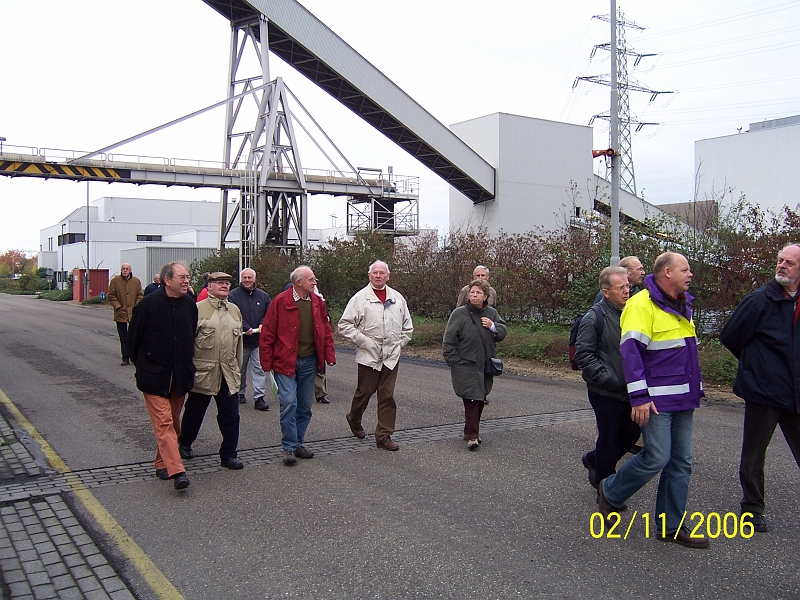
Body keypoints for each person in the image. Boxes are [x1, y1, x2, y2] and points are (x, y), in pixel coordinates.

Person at [596, 252, 708, 549]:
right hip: (656, 399)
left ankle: (671, 526)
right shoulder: (640, 304)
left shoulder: (685, 303)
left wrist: (696, 388)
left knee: (682, 460)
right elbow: (630, 353)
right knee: (657, 457)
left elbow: (684, 352)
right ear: (667, 272)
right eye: (685, 269)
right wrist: (639, 396)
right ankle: (610, 491)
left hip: (684, 397)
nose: (690, 275)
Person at [720, 244, 800, 534]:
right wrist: (756, 366)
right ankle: (752, 509)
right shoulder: (758, 300)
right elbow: (730, 336)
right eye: (780, 260)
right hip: (764, 392)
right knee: (754, 455)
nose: (782, 266)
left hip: (795, 392)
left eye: (789, 263)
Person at [129, 262, 197, 491]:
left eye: (188, 276)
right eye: (182, 277)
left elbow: (191, 335)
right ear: (167, 280)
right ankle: (177, 470)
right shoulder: (147, 305)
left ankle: (161, 462)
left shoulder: (190, 304)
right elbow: (134, 340)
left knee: (173, 424)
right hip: (154, 377)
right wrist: (144, 364)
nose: (186, 280)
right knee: (164, 423)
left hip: (180, 376)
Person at [260, 266, 335, 466]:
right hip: (285, 361)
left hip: (309, 361)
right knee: (288, 402)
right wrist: (266, 363)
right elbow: (267, 334)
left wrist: (329, 355)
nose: (315, 282)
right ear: (299, 282)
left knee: (304, 406)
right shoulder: (280, 302)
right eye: (311, 279)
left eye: (314, 279)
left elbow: (325, 330)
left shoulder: (318, 302)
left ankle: (298, 444)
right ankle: (288, 447)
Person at [339, 260, 413, 451]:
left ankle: (384, 435)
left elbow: (408, 327)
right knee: (365, 393)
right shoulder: (359, 298)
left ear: (388, 276)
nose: (378, 276)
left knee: (387, 396)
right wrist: (365, 342)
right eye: (375, 273)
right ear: (369, 275)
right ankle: (354, 418)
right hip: (368, 357)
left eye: (382, 273)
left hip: (391, 357)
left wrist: (399, 344)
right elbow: (344, 325)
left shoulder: (398, 298)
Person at [576, 266, 640, 489]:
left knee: (631, 434)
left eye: (627, 286)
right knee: (609, 439)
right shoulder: (594, 317)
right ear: (606, 292)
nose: (626, 291)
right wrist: (609, 379)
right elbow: (584, 355)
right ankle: (605, 488)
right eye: (620, 287)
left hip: (631, 390)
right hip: (605, 391)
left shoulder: (634, 312)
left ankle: (594, 459)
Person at [178, 272, 244, 470]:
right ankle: (185, 443)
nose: (225, 286)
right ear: (210, 286)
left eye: (227, 283)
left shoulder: (234, 310)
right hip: (204, 372)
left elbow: (238, 343)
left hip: (228, 372)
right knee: (195, 412)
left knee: (231, 415)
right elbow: (187, 343)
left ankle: (229, 454)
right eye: (220, 283)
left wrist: (237, 370)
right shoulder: (197, 309)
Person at [442, 279, 506, 450]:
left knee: (480, 399)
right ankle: (473, 436)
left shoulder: (491, 313)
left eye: (478, 293)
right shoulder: (459, 314)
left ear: (485, 296)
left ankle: (469, 430)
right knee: (471, 399)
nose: (474, 295)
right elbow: (449, 340)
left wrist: (493, 327)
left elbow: (502, 332)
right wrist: (454, 361)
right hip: (465, 364)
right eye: (472, 292)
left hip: (485, 365)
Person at [228, 268, 273, 411]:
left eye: (249, 277)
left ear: (255, 279)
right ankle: (240, 393)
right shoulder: (233, 295)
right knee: (240, 368)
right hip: (241, 340)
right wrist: (245, 327)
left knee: (259, 369)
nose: (247, 280)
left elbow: (270, 313)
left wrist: (263, 324)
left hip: (258, 340)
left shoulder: (263, 296)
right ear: (241, 279)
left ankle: (259, 397)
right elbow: (233, 314)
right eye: (244, 277)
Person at [107, 263, 143, 366]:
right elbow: (110, 295)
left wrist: (136, 307)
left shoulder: (136, 281)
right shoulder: (115, 281)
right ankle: (125, 358)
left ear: (130, 270)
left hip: (133, 312)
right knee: (123, 337)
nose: (125, 270)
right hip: (120, 312)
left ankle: (134, 357)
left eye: (127, 269)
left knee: (135, 336)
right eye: (123, 269)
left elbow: (140, 295)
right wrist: (118, 306)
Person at [313, 284, 333, 404]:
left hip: (318, 339)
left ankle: (320, 394)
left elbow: (325, 317)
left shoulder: (319, 300)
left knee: (320, 368)